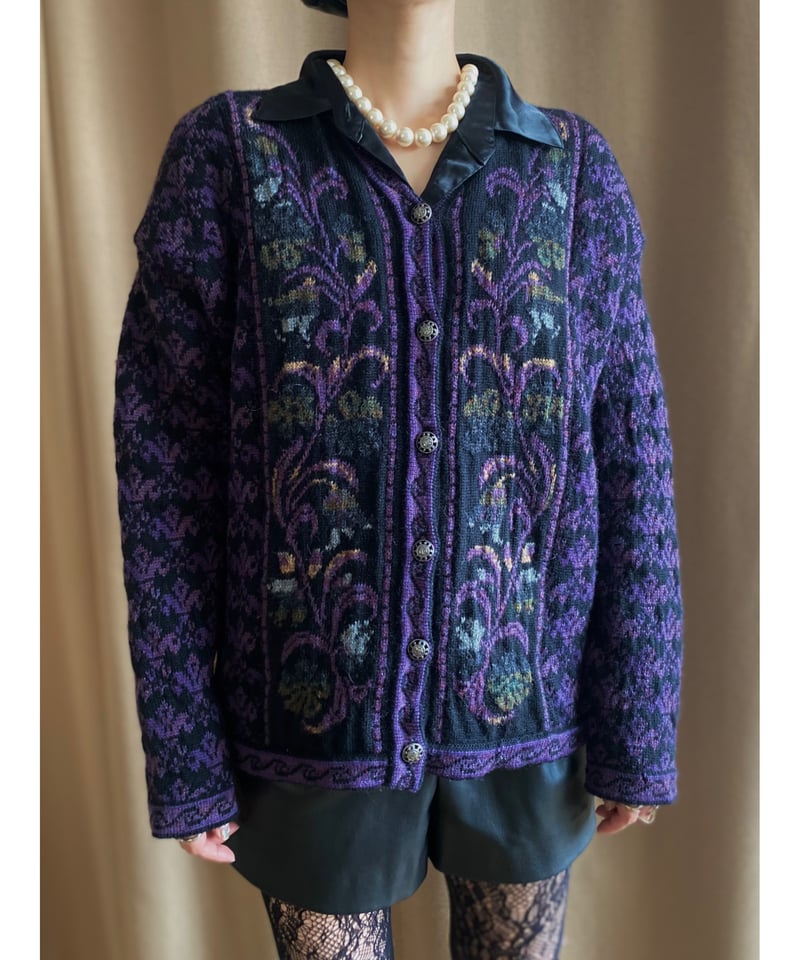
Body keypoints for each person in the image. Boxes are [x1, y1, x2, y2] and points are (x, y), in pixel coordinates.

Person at [112, 0, 683, 956]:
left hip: (527, 712)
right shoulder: (232, 157)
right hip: (308, 723)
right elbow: (164, 471)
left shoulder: (572, 171)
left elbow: (633, 459)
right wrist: (185, 749)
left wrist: (639, 724)